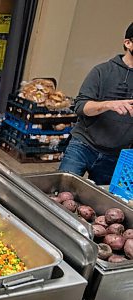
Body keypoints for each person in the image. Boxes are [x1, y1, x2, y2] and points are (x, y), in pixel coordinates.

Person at [59, 22, 133, 185]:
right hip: (83, 146)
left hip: (116, 155)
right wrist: (108, 105)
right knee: (62, 192)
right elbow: (81, 107)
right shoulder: (102, 71)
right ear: (128, 43)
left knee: (99, 206)